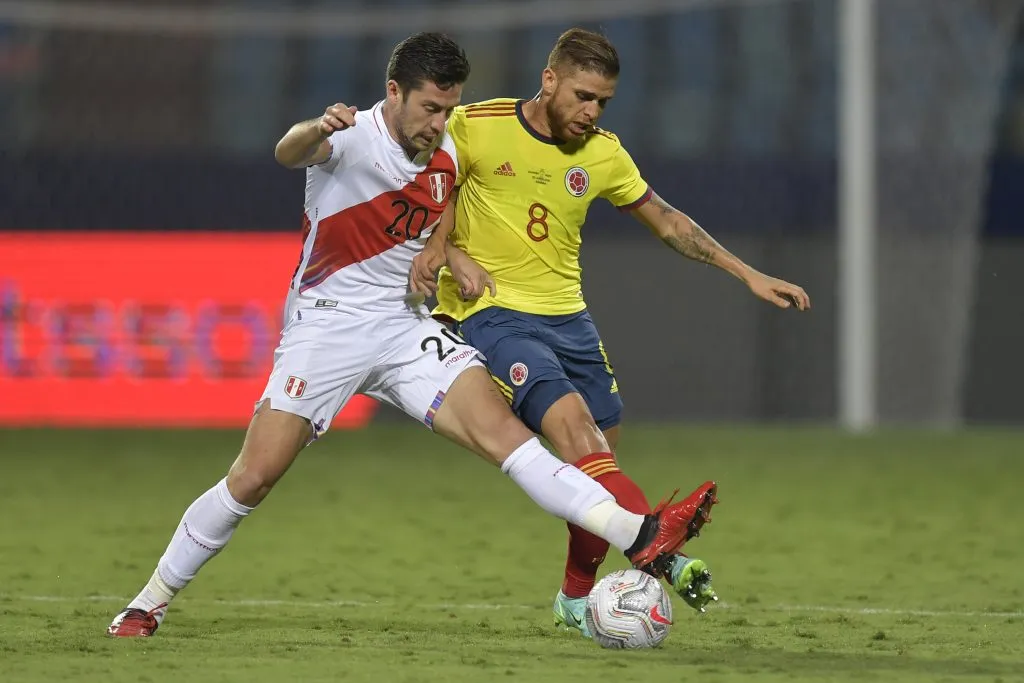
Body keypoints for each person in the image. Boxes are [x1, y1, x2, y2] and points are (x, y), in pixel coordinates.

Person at [105, 32, 717, 638]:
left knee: (512, 442)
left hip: (406, 327)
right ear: (394, 92)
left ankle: (643, 535)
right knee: (254, 477)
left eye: (449, 109)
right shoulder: (350, 137)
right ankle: (148, 602)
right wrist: (316, 127)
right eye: (429, 108)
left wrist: (450, 255)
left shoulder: (448, 147)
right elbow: (288, 152)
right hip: (329, 326)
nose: (439, 124)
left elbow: (443, 211)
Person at [409, 28, 809, 637]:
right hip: (490, 314)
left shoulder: (602, 153)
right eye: (583, 96)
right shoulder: (475, 126)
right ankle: (663, 552)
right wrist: (446, 253)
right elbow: (429, 190)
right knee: (576, 434)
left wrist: (747, 273)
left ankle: (574, 598)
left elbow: (668, 222)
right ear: (549, 80)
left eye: (603, 101)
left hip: (570, 320)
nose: (592, 111)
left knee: (596, 464)